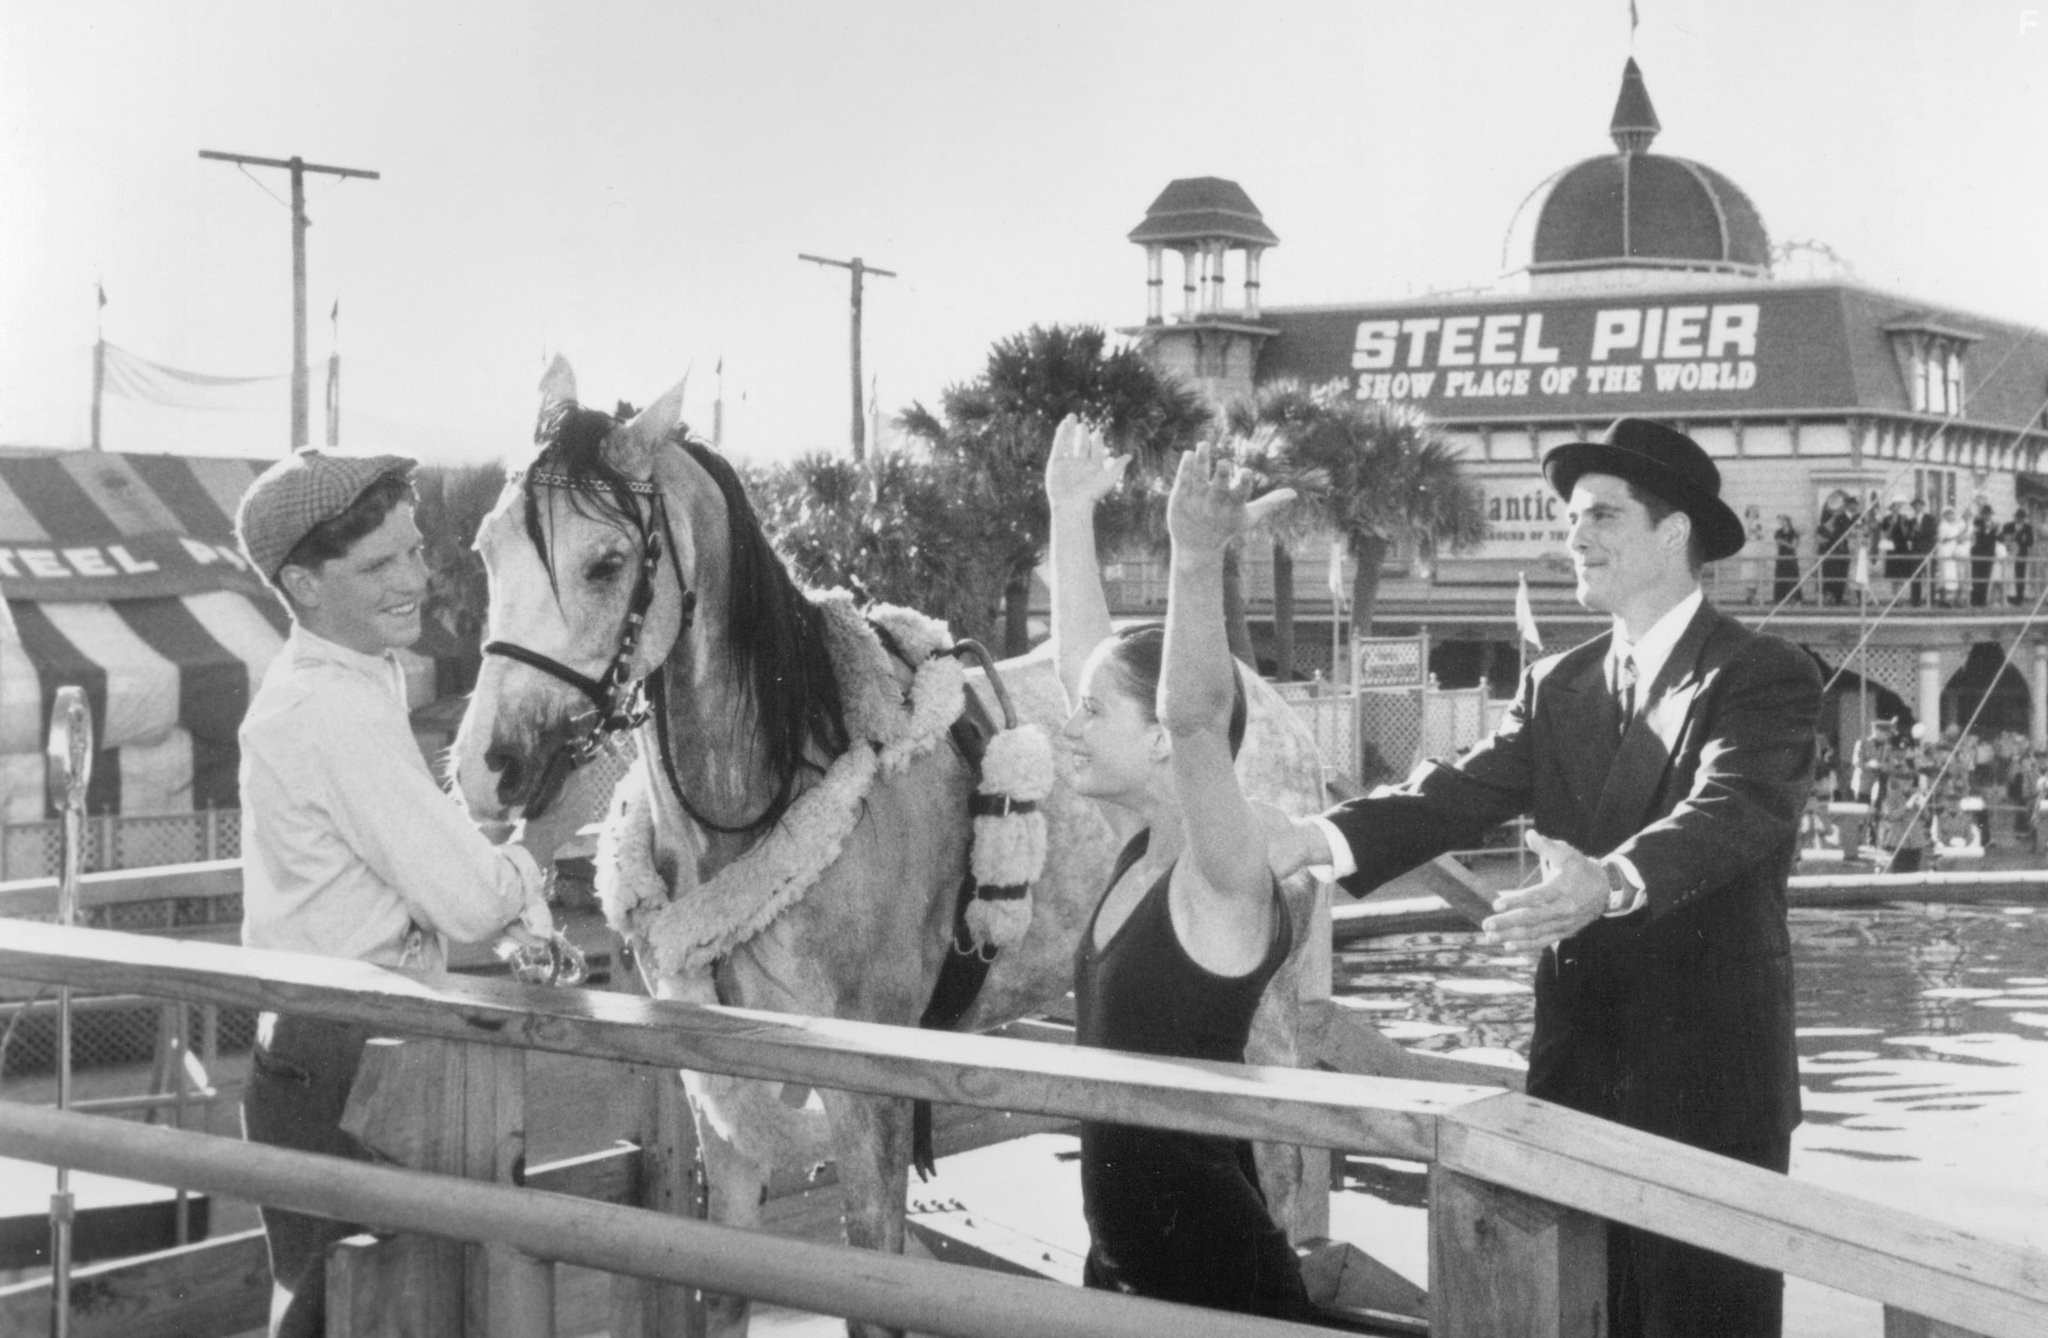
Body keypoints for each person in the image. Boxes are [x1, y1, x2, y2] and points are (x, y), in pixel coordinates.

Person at [1269, 417, 1821, 1338]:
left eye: (1602, 515)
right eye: (1571, 519)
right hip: (1577, 1076)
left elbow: (1735, 808)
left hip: (1712, 1090)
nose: (1575, 536)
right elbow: (1453, 794)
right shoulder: (1558, 682)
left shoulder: (1763, 674)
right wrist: (1307, 839)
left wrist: (1610, 880)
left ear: (1674, 533)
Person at [234, 448, 566, 1338]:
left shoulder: (352, 677)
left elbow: (416, 858)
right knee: (350, 1313)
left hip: (327, 1050)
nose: (415, 578)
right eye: (379, 563)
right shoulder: (329, 710)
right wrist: (554, 831)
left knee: (363, 1310)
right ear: (302, 584)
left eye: (415, 549)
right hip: (339, 1059)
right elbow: (470, 905)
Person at [1045, 418, 1313, 1321]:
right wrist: (1069, 510)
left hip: (1216, 1289)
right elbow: (1084, 662)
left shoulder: (1219, 876)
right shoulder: (1141, 840)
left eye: (1093, 714)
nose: (1069, 725)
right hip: (1120, 1267)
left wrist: (1194, 562)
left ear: (1159, 739)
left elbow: (1196, 716)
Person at [1814, 490, 1852, 605]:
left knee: (1840, 578)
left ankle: (1838, 599)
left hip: (1841, 554)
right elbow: (1821, 536)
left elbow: (1850, 529)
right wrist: (1834, 516)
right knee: (1828, 578)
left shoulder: (1844, 519)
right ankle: (1828, 597)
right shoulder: (1824, 523)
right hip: (1828, 555)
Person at [1907, 498, 1937, 607]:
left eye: (1919, 505)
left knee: (1930, 576)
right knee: (1916, 576)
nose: (1917, 507)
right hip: (1916, 552)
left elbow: (1933, 532)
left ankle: (1931, 601)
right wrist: (1912, 532)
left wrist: (1920, 530)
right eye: (1915, 506)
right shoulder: (1911, 521)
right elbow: (1909, 537)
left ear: (1923, 506)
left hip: (1928, 551)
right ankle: (1915, 601)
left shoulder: (1930, 518)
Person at [1936, 506, 1967, 607]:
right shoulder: (1943, 526)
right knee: (1945, 576)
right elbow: (1943, 540)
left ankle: (1951, 599)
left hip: (1953, 553)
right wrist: (1955, 537)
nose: (1951, 516)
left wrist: (1959, 538)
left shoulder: (1954, 526)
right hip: (1945, 553)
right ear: (1945, 515)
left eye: (1952, 513)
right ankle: (1943, 600)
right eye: (1949, 514)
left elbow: (1958, 537)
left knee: (1952, 577)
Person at [2004, 507, 2035, 605]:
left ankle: (2019, 598)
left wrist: (2025, 539)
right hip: (2010, 554)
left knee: (2020, 576)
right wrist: (2011, 540)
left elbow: (2031, 542)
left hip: (2022, 555)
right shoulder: (2008, 526)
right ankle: (2008, 597)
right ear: (2015, 517)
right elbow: (2003, 538)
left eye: (2022, 517)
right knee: (2009, 575)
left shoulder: (2028, 527)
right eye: (2018, 517)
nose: (2020, 519)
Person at [1970, 502, 1999, 608]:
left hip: (1989, 555)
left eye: (1988, 513)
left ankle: (1982, 601)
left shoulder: (1995, 526)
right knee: (1976, 577)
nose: (1987, 516)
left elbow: (1995, 539)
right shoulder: (1978, 523)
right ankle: (1975, 601)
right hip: (1977, 554)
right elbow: (1975, 521)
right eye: (1985, 513)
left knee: (1986, 578)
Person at [1772, 514, 1803, 604]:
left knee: (1793, 578)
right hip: (1781, 557)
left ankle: (1794, 598)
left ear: (1787, 521)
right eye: (1780, 521)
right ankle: (1780, 598)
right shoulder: (1778, 532)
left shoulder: (1794, 532)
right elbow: (1779, 542)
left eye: (1783, 520)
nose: (1781, 522)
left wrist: (1785, 543)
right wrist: (1789, 544)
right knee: (1780, 578)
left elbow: (1795, 545)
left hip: (1791, 557)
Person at [1743, 504, 1766, 604]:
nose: (1754, 512)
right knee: (1748, 574)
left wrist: (1756, 531)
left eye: (1755, 511)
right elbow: (1743, 536)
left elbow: (1762, 535)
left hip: (1756, 549)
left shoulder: (1759, 523)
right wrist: (1749, 531)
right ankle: (1749, 596)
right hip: (1747, 549)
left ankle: (1754, 597)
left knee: (1756, 574)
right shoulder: (1744, 522)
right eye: (1752, 510)